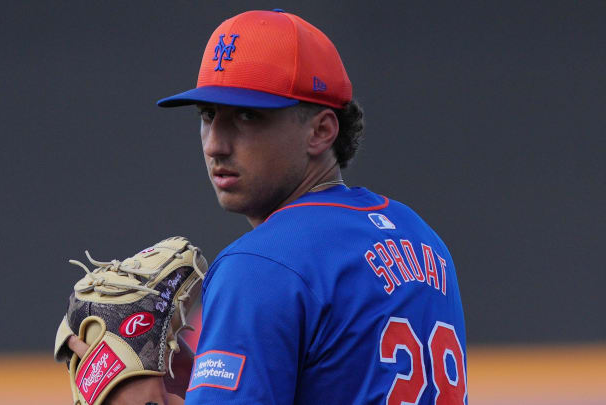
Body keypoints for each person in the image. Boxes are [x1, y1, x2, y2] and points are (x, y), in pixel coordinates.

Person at [68, 9, 467, 405]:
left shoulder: (260, 265)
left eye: (247, 115)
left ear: (321, 130)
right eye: (209, 115)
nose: (215, 144)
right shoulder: (421, 238)